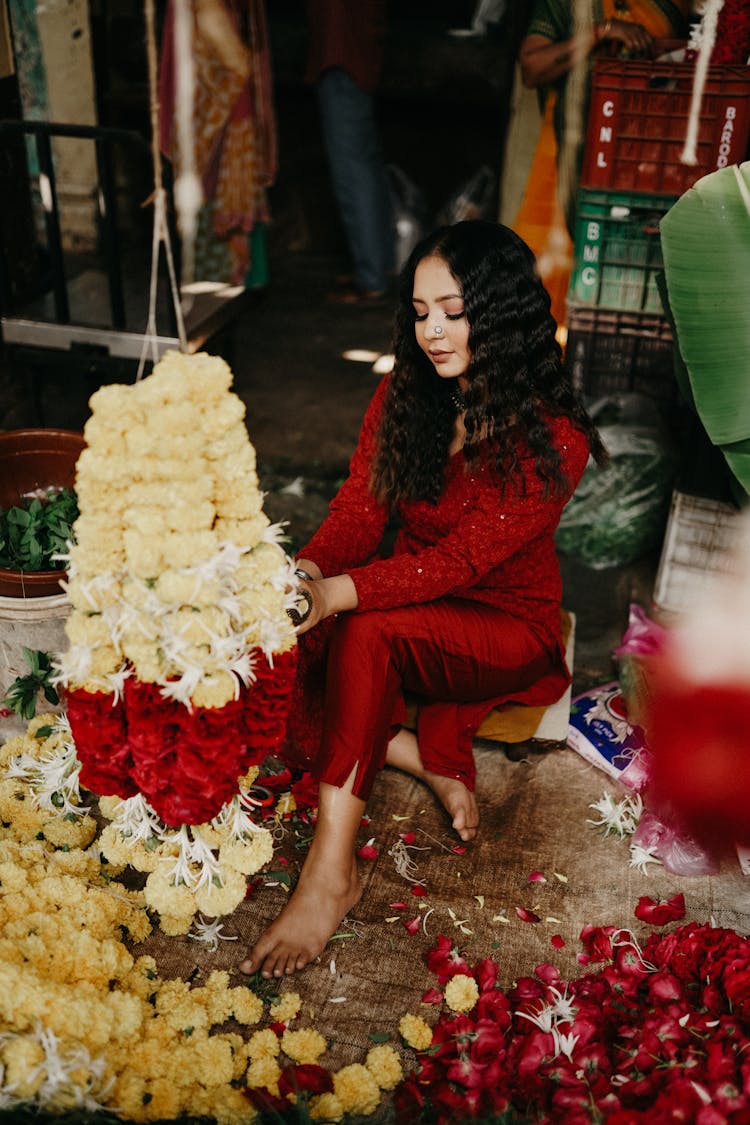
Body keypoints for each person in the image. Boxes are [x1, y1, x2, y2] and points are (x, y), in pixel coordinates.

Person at [239, 219, 606, 980]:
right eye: (419, 311)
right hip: (412, 606)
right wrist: (307, 571)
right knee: (294, 634)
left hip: (504, 627)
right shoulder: (408, 395)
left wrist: (340, 593)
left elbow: (461, 559)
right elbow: (359, 512)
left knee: (361, 626)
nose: (433, 331)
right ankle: (412, 753)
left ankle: (328, 875)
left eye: (454, 310)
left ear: (499, 313)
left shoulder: (555, 434)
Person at [517, 1, 690, 234]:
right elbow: (531, 69)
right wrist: (600, 33)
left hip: (653, 164)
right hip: (576, 157)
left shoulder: (673, 5)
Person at [305, 0, 395, 304]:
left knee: (353, 171)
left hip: (343, 58)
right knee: (365, 165)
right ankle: (379, 265)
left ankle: (372, 276)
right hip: (355, 55)